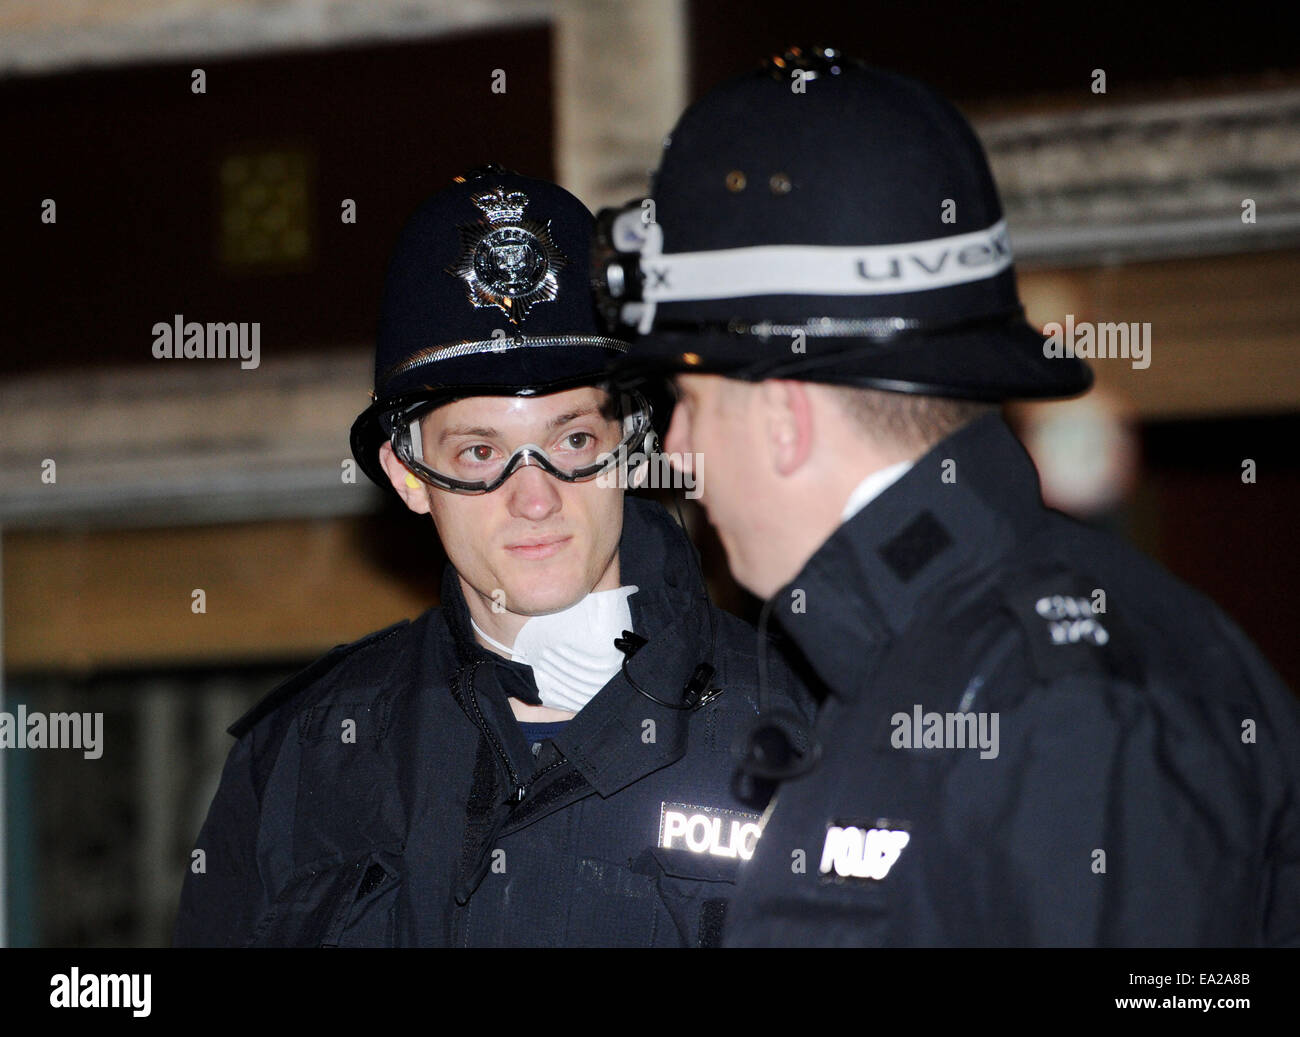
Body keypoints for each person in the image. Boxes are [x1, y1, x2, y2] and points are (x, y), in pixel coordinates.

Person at [596, 48, 1300, 946]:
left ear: (784, 413)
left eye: (688, 403)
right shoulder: (911, 671)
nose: (680, 454)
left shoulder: (1064, 711)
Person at [173, 167, 811, 947]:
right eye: (481, 452)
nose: (535, 498)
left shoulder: (800, 725)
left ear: (632, 443)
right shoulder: (304, 755)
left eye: (573, 440)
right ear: (407, 474)